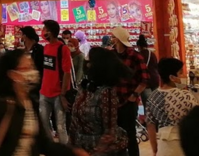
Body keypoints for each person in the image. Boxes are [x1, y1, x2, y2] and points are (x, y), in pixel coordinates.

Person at [0, 49, 86, 156]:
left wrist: (72, 153)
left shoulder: (30, 103)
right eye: (26, 68)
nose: (33, 72)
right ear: (13, 74)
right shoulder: (1, 106)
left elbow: (43, 143)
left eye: (32, 67)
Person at [68, 47, 130, 155]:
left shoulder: (107, 93)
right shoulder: (84, 88)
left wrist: (95, 153)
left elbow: (110, 131)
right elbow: (74, 123)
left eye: (89, 60)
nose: (86, 63)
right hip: (82, 148)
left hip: (103, 151)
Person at [145, 57, 197, 156]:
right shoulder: (186, 96)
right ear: (172, 77)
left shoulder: (152, 98)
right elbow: (196, 122)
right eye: (181, 73)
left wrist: (155, 150)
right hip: (183, 145)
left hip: (163, 145)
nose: (184, 76)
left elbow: (150, 125)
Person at [110, 26, 149, 156]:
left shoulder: (135, 56)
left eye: (114, 37)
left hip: (128, 101)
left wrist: (134, 95)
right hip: (114, 101)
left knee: (130, 134)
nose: (111, 39)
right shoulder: (112, 55)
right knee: (116, 134)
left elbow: (144, 79)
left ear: (120, 39)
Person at [39, 19, 73, 145]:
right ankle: (51, 149)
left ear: (51, 32)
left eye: (44, 30)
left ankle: (64, 151)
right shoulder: (46, 47)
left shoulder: (63, 49)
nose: (43, 33)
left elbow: (67, 73)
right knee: (43, 123)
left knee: (60, 126)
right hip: (44, 91)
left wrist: (63, 94)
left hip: (58, 94)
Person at [136, 35, 160, 107]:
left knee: (147, 104)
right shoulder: (152, 54)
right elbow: (156, 65)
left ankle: (148, 117)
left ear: (138, 46)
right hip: (155, 79)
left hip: (145, 81)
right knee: (156, 102)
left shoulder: (138, 55)